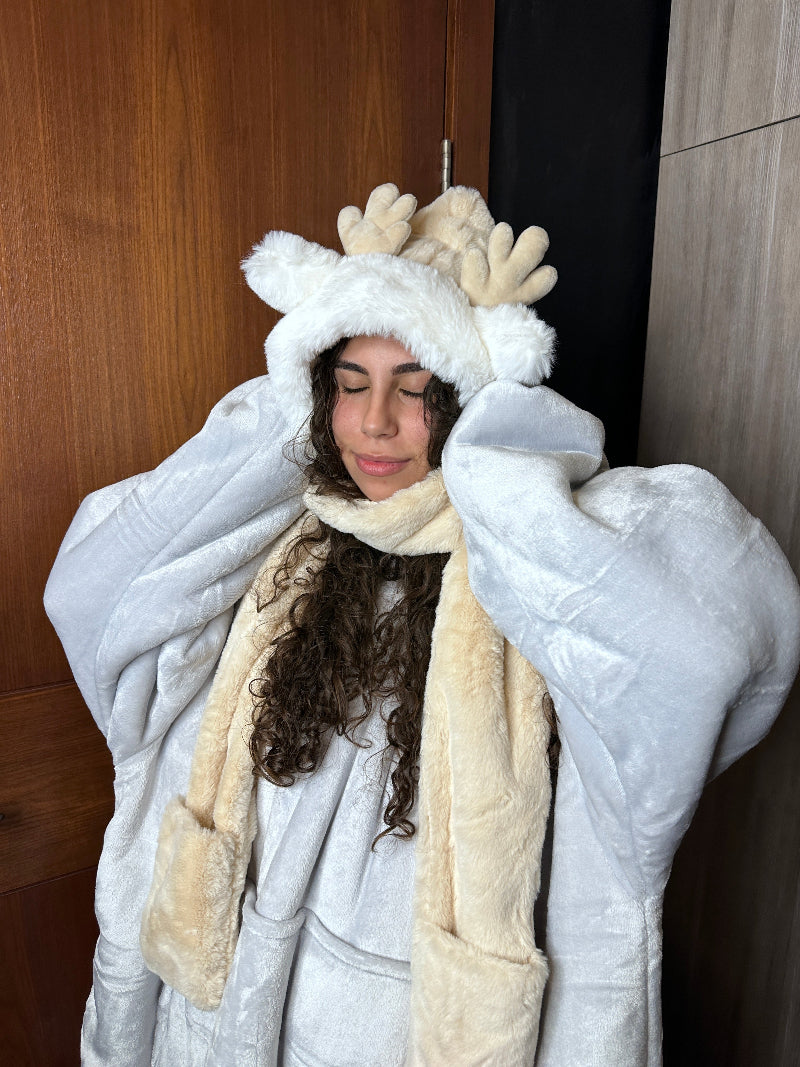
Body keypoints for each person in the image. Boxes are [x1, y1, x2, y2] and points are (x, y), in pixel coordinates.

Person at [45, 184, 800, 1067]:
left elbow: (716, 644)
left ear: (466, 403)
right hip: (233, 997)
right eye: (347, 385)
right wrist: (287, 401)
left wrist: (491, 451)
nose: (373, 423)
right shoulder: (282, 547)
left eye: (416, 391)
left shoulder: (534, 578)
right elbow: (97, 594)